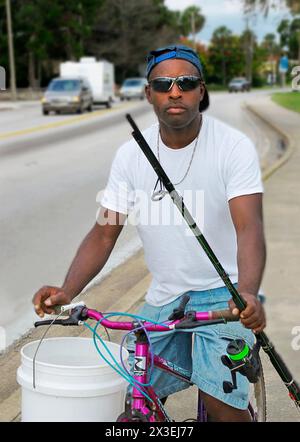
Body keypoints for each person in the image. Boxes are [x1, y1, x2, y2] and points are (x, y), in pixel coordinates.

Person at [32, 45, 266, 422]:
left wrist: (249, 292)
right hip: (164, 298)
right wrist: (67, 291)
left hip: (226, 295)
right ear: (149, 94)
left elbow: (249, 227)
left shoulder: (232, 148)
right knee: (133, 391)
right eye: (163, 84)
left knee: (225, 407)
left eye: (186, 83)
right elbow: (104, 233)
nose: (175, 92)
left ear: (201, 91)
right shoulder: (131, 155)